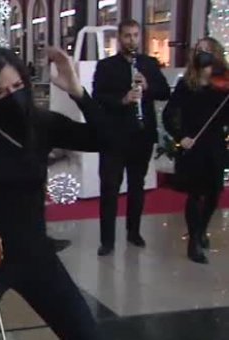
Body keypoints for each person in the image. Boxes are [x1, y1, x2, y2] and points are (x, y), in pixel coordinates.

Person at [0, 47, 106, 340]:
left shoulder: (41, 124)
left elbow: (106, 139)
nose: (13, 96)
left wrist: (77, 91)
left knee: (86, 333)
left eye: (17, 87)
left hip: (35, 252)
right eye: (1, 92)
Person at [93, 19, 170, 256]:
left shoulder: (148, 64)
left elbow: (165, 92)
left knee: (137, 187)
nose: (132, 40)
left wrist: (147, 86)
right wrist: (122, 100)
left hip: (141, 136)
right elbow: (98, 96)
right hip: (115, 137)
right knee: (110, 188)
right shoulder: (106, 66)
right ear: (119, 38)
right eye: (127, 36)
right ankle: (107, 240)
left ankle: (133, 232)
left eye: (136, 35)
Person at [163, 37, 229, 264]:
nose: (203, 54)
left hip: (215, 145)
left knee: (214, 192)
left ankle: (201, 229)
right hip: (193, 145)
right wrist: (181, 137)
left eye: (208, 51)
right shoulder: (187, 84)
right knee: (194, 193)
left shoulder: (223, 85)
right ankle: (193, 241)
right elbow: (168, 114)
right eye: (200, 51)